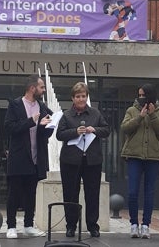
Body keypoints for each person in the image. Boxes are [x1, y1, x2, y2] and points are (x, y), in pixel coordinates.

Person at [56, 82, 110, 238]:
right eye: (78, 96)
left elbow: (106, 130)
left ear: (87, 97)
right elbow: (59, 135)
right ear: (73, 98)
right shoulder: (66, 115)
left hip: (92, 160)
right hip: (70, 161)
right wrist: (75, 132)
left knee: (92, 194)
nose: (81, 99)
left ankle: (93, 226)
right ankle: (71, 226)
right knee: (71, 194)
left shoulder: (95, 114)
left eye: (83, 96)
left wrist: (95, 129)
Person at [4, 75, 53, 239]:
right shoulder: (15, 104)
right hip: (19, 157)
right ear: (32, 88)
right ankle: (11, 226)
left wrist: (48, 126)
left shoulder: (42, 106)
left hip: (36, 158)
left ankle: (28, 225)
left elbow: (46, 132)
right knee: (14, 193)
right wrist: (31, 121)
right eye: (41, 87)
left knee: (31, 193)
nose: (44, 90)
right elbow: (10, 128)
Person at [120, 83, 159, 239]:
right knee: (132, 192)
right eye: (139, 95)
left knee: (149, 192)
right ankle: (134, 224)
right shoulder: (132, 110)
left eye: (144, 95)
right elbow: (125, 128)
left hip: (153, 157)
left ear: (151, 96)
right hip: (134, 155)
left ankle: (146, 225)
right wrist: (140, 117)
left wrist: (153, 115)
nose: (141, 98)